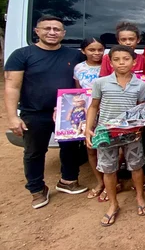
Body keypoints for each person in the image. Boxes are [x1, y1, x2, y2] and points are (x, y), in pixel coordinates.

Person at [5, 15, 87, 209]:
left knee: (70, 148)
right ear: (37, 31)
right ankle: (37, 189)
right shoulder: (22, 55)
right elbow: (12, 86)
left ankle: (68, 180)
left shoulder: (74, 55)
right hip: (35, 112)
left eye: (57, 29)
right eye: (47, 28)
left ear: (64, 33)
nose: (52, 32)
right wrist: (12, 117)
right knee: (34, 152)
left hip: (66, 111)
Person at [85, 45, 145, 225]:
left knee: (136, 166)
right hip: (106, 133)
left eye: (126, 59)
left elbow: (140, 108)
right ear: (110, 62)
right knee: (109, 169)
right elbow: (94, 107)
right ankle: (113, 204)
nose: (121, 63)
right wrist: (88, 129)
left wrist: (140, 128)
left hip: (131, 133)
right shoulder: (101, 83)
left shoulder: (140, 84)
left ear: (134, 62)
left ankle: (140, 197)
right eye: (117, 59)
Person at [72, 37, 106, 200]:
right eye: (92, 50)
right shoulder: (79, 68)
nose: (96, 53)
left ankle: (112, 181)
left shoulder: (109, 66)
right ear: (83, 51)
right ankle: (100, 182)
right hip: (88, 112)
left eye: (100, 49)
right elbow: (78, 92)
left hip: (107, 111)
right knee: (91, 148)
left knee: (110, 148)